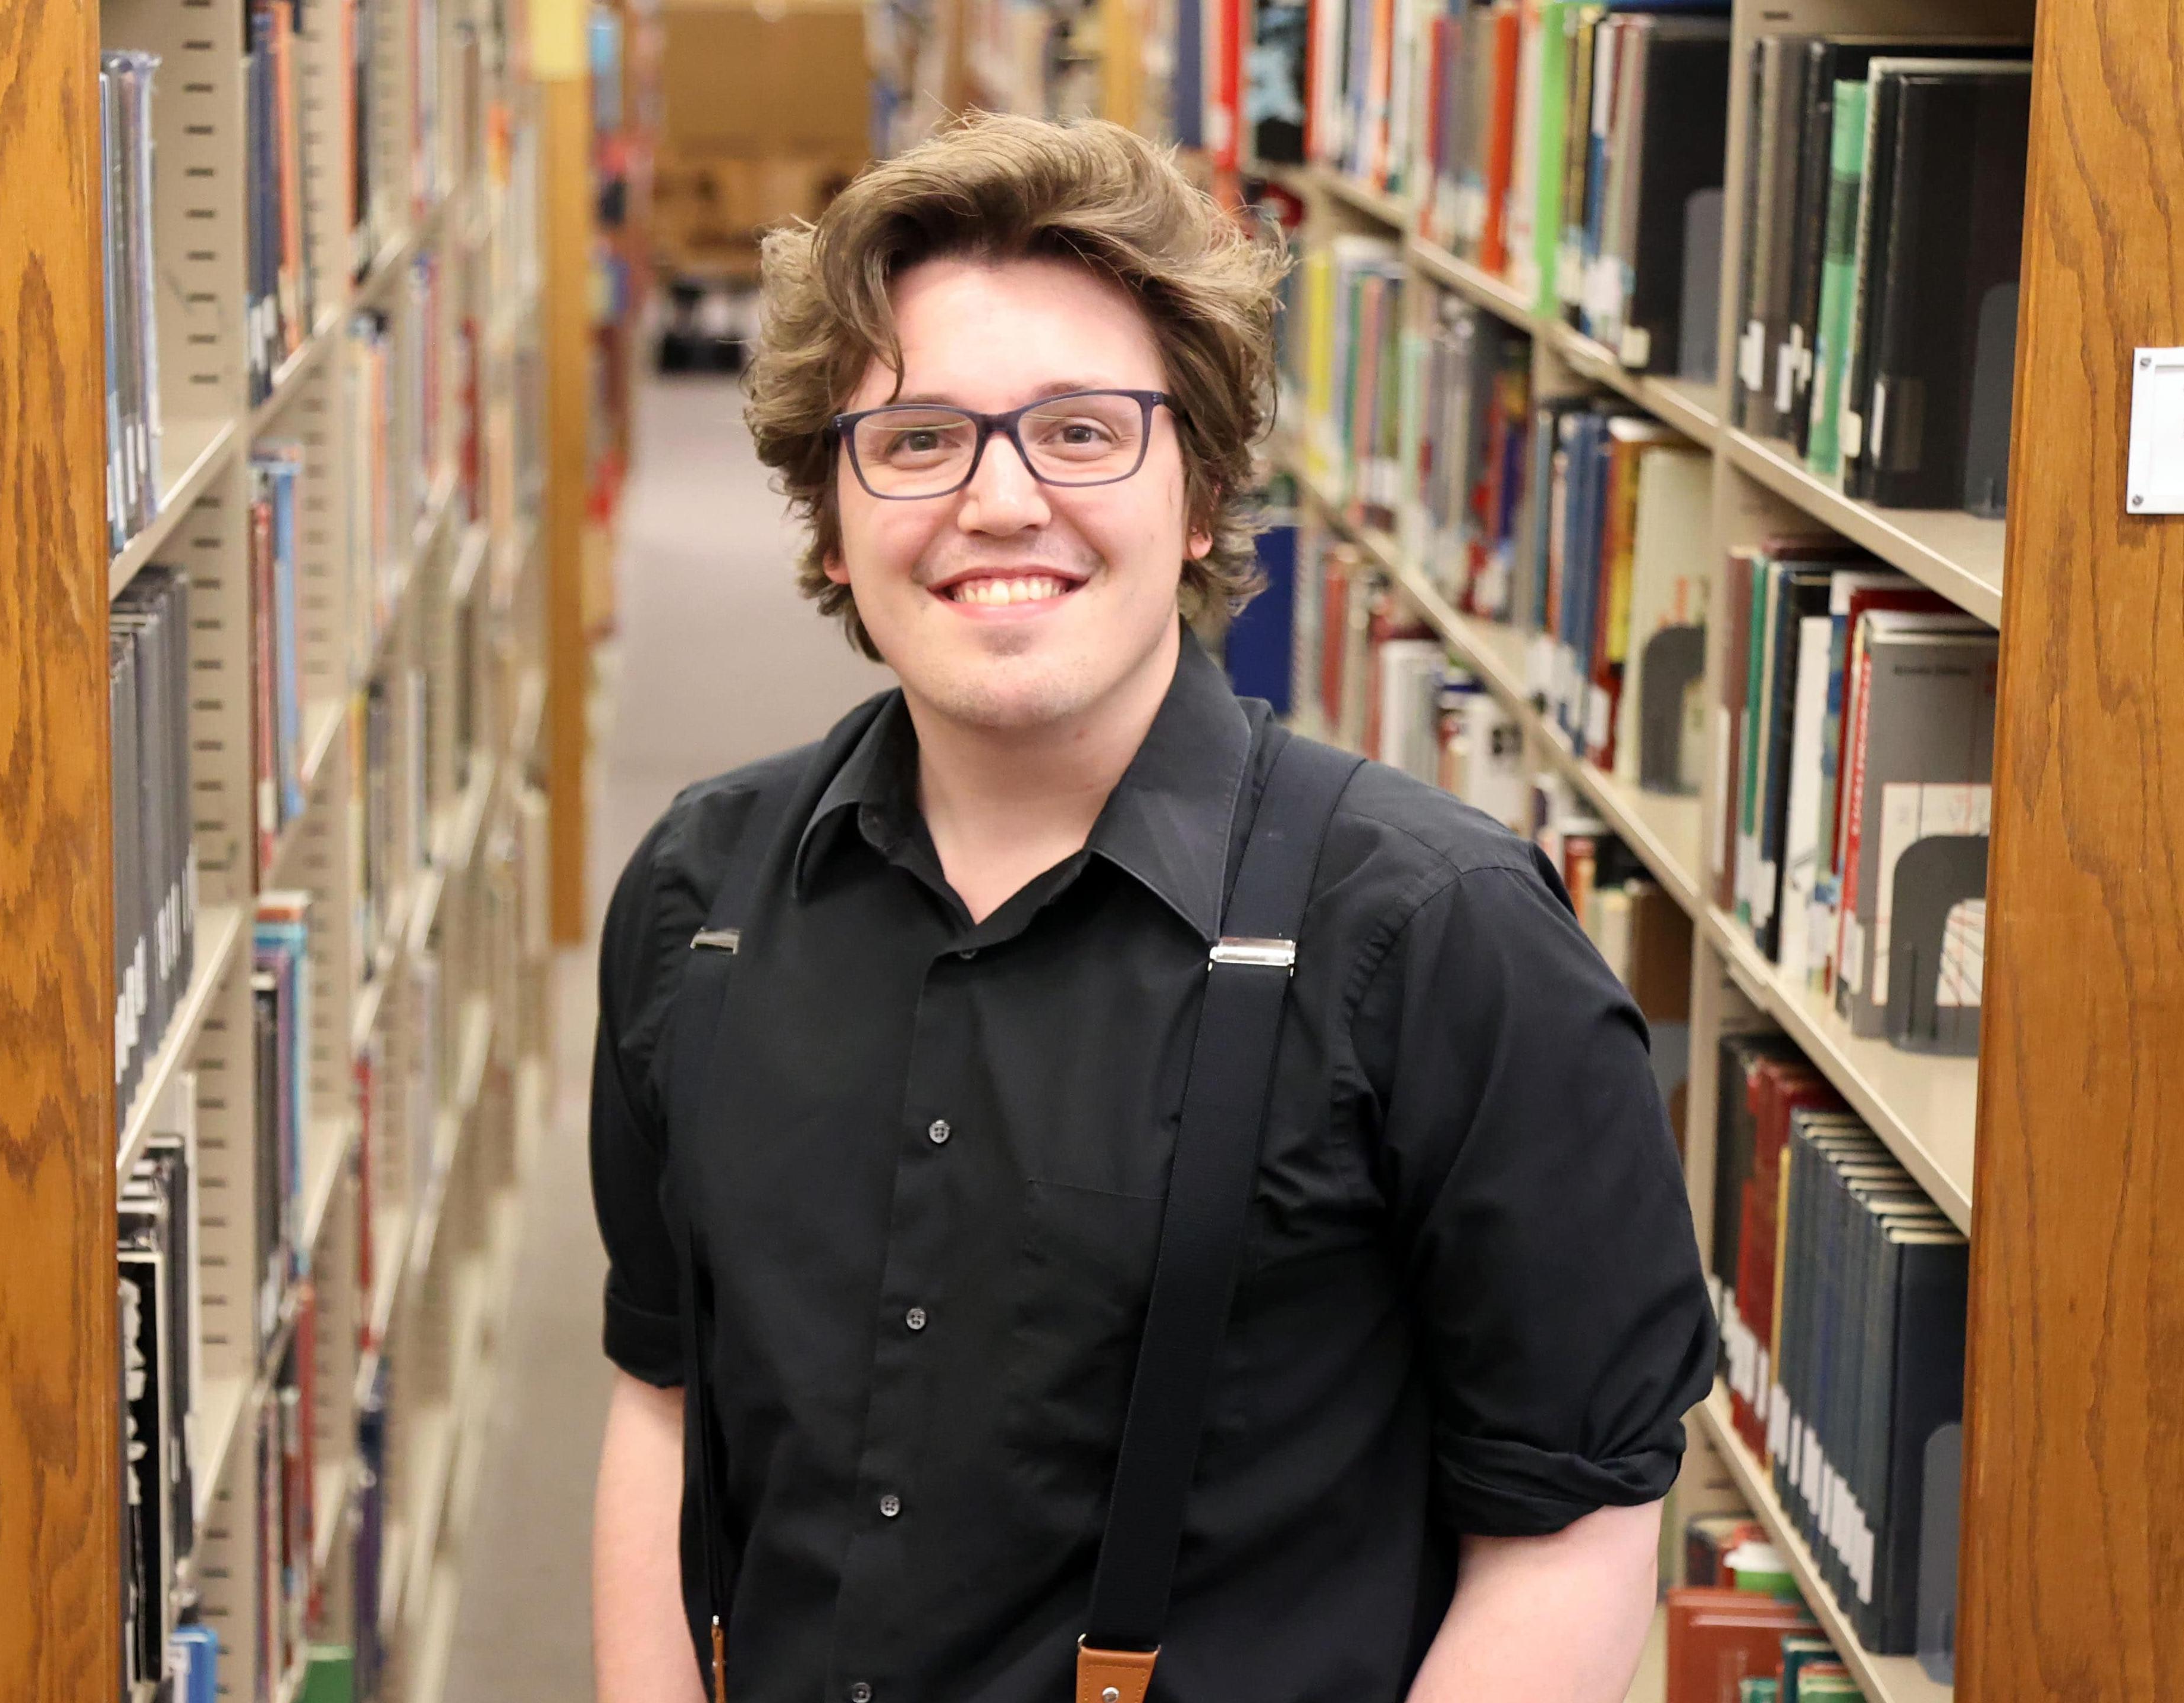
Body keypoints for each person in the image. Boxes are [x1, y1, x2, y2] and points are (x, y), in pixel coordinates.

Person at [590, 112, 1714, 1703]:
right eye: (914, 441)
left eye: (1080, 432)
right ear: (830, 526)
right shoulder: (696, 901)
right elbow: (665, 1394)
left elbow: (1576, 1524)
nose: (995, 504)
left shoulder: (1443, 939)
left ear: (1198, 495)